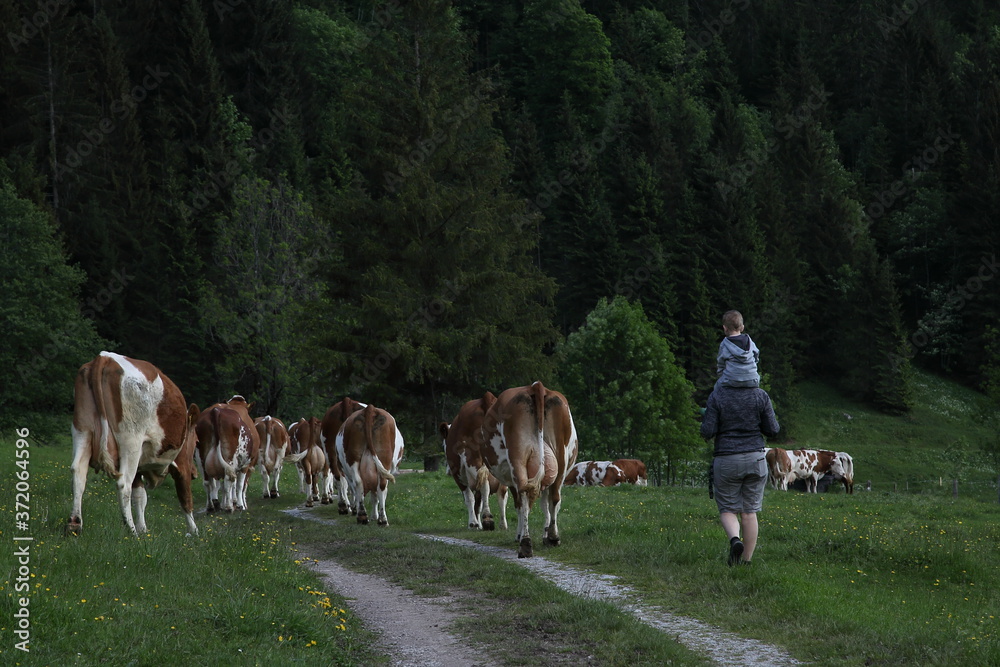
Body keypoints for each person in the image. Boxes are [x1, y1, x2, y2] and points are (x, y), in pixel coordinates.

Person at [700, 381, 779, 566]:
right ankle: (747, 561)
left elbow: (708, 431)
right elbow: (773, 429)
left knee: (728, 509)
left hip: (727, 459)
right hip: (756, 459)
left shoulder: (718, 395)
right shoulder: (761, 395)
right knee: (749, 512)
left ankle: (735, 540)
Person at [715, 310, 760, 389]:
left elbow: (721, 364)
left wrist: (721, 376)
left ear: (725, 328)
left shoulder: (724, 344)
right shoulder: (750, 342)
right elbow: (756, 357)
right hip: (753, 379)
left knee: (717, 388)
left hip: (731, 380)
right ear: (742, 327)